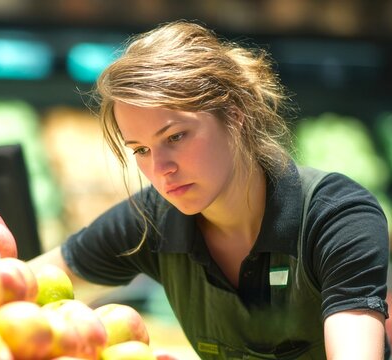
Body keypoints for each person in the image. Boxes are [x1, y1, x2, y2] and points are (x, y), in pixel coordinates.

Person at [30, 20, 390, 359]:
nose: (160, 168)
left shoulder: (337, 219)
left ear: (234, 114)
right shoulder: (154, 219)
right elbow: (20, 288)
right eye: (140, 149)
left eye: (175, 136)